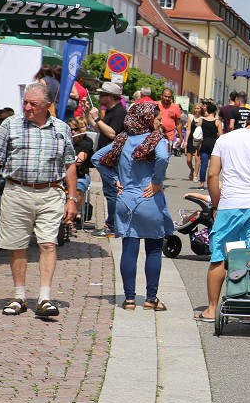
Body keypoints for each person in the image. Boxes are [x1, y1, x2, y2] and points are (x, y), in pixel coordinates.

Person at [0, 83, 77, 318]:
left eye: (33, 103)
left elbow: (70, 164)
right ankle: (19, 296)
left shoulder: (61, 129)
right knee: (17, 245)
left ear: (47, 105)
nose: (27, 107)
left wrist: (72, 198)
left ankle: (44, 298)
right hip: (17, 190)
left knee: (47, 243)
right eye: (25, 102)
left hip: (50, 192)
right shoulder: (11, 125)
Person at [92, 102, 175, 311]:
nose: (159, 122)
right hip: (149, 198)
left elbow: (97, 158)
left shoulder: (123, 140)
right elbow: (163, 157)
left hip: (125, 198)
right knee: (154, 250)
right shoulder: (155, 139)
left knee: (129, 248)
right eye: (156, 118)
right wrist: (156, 181)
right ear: (146, 120)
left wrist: (113, 179)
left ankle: (129, 299)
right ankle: (150, 298)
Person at [197, 108, 250, 322]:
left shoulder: (224, 140)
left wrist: (216, 203)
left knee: (219, 257)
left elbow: (212, 173)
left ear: (246, 122)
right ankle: (249, 309)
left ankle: (212, 309)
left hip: (228, 205)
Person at [83, 81, 127, 237]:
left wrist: (97, 118)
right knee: (109, 191)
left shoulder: (119, 112)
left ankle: (112, 225)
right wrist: (88, 114)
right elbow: (98, 129)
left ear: (110, 97)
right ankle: (112, 223)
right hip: (106, 158)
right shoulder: (109, 111)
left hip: (112, 158)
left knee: (112, 192)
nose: (100, 97)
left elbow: (112, 133)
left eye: (102, 95)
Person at [69, 117, 93, 229]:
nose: (73, 132)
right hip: (62, 175)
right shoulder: (63, 143)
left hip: (80, 174)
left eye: (75, 129)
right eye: (70, 129)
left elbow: (79, 162)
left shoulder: (86, 144)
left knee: (78, 188)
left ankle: (72, 217)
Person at [195, 102, 221, 190]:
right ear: (215, 111)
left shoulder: (201, 120)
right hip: (214, 144)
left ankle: (201, 184)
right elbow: (221, 135)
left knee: (204, 164)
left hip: (204, 143)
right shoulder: (217, 122)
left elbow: (198, 132)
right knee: (213, 166)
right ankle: (212, 184)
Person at [185, 103, 204, 181]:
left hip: (199, 139)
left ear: (201, 109)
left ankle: (195, 175)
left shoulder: (203, 118)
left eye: (198, 108)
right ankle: (192, 169)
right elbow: (188, 129)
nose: (196, 110)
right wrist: (186, 141)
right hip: (191, 139)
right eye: (195, 108)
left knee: (197, 158)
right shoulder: (190, 117)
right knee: (189, 159)